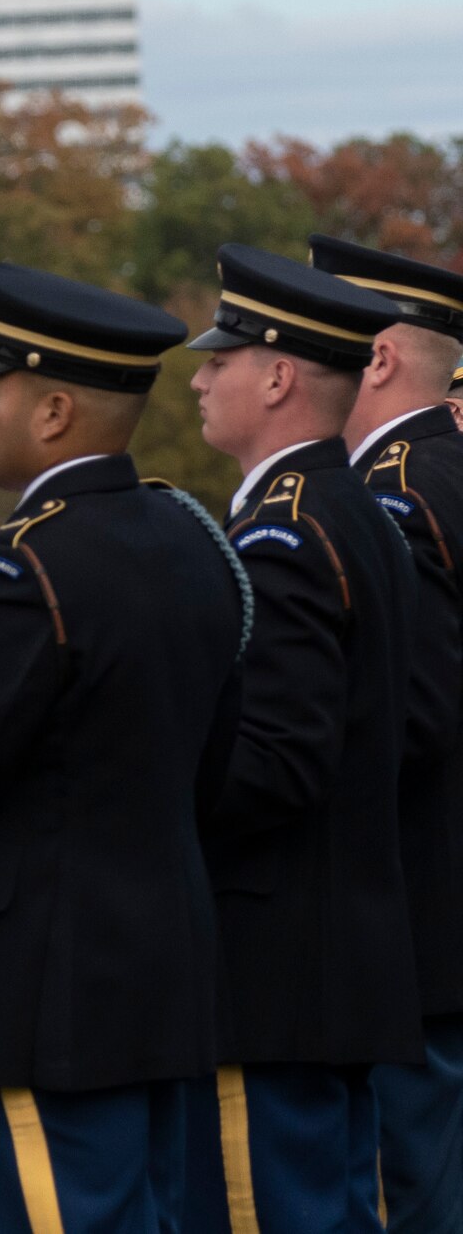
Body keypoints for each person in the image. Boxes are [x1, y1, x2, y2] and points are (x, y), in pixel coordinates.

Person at [0, 263, 248, 1231]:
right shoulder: (189, 538)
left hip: (46, 990)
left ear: (54, 410)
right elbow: (215, 764)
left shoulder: (20, 567)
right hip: (166, 964)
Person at [184, 243, 419, 1231]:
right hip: (337, 956)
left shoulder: (280, 538)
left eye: (217, 360)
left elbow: (272, 762)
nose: (196, 378)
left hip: (270, 966)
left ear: (277, 376)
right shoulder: (352, 510)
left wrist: (152, 796)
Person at [313, 234, 463, 1231]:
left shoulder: (392, 493)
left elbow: (405, 717)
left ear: (372, 359)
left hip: (415, 916)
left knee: (413, 1196)